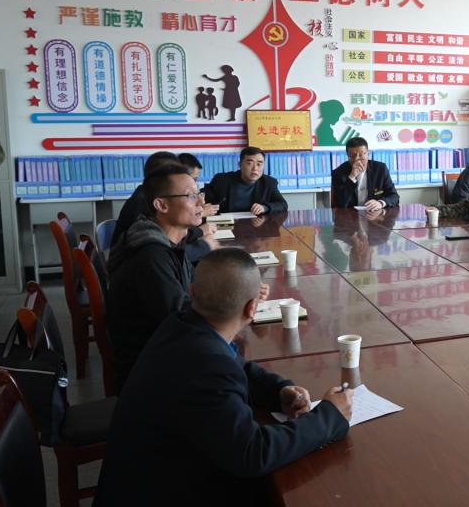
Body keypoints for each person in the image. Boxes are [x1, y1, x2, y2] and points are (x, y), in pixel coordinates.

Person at [95, 248, 353, 506]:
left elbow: (237, 366)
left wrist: (278, 391)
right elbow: (252, 453)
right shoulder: (208, 364)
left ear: (192, 292)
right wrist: (329, 416)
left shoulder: (182, 324)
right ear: (252, 308)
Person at [108, 163, 268, 389]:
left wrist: (242, 290)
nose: (201, 203)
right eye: (191, 196)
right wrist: (240, 306)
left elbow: (196, 291)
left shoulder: (169, 242)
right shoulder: (151, 256)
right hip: (153, 374)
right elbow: (186, 321)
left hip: (175, 351)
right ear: (161, 205)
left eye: (199, 194)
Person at [111, 151, 218, 262]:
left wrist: (199, 232)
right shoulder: (142, 202)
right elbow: (167, 254)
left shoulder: (146, 195)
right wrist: (204, 246)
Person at [204, 146, 287, 215]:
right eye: (249, 163)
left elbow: (282, 204)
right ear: (240, 164)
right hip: (228, 225)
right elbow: (203, 199)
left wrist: (265, 207)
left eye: (259, 164)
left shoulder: (269, 183)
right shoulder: (221, 180)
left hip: (256, 225)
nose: (255, 168)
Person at [330, 137, 400, 210]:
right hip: (350, 214)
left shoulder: (380, 169)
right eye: (353, 156)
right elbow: (339, 204)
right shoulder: (338, 173)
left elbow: (394, 196)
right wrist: (352, 177)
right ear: (347, 156)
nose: (357, 159)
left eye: (361, 155)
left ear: (368, 154)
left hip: (375, 213)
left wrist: (381, 203)